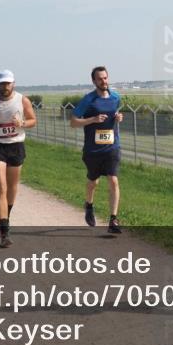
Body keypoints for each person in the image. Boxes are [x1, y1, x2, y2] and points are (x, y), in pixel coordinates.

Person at [0, 71, 36, 248]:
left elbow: (33, 120)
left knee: (12, 187)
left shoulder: (22, 100)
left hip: (16, 145)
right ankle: (4, 231)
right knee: (0, 187)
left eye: (8, 83)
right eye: (2, 84)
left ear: (13, 84)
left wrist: (23, 124)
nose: (5, 86)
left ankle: (6, 214)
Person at [70, 66, 124, 234]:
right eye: (100, 79)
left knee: (113, 180)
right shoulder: (89, 100)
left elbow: (117, 113)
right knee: (93, 182)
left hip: (112, 147)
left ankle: (113, 220)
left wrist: (119, 118)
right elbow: (73, 122)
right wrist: (92, 119)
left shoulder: (116, 97)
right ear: (94, 81)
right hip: (93, 150)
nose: (104, 81)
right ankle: (89, 205)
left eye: (106, 78)